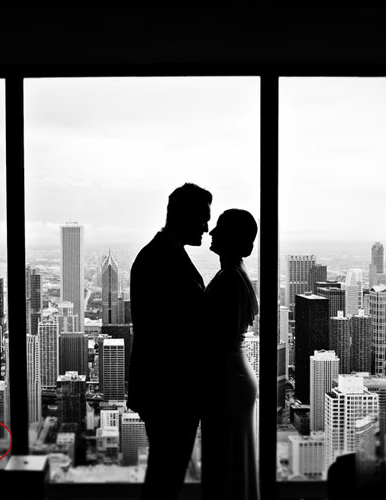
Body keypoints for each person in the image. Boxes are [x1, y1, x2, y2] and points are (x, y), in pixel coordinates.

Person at [127, 182, 212, 500]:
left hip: (166, 388)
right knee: (166, 476)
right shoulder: (161, 259)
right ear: (184, 216)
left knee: (166, 474)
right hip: (169, 390)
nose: (206, 227)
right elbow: (171, 331)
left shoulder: (161, 254)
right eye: (202, 218)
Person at [201, 208, 260, 500]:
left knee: (226, 465)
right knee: (233, 464)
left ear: (233, 239)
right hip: (232, 377)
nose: (212, 233)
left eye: (220, 229)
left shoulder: (229, 280)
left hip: (227, 379)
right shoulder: (234, 275)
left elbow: (218, 344)